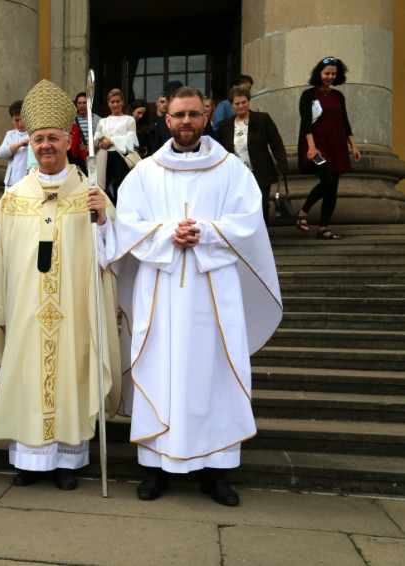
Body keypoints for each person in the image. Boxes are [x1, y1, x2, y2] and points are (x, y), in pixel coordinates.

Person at [104, 86, 282, 506]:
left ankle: (216, 473)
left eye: (194, 114)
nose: (186, 121)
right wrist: (170, 233)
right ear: (166, 120)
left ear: (206, 117)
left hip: (214, 291)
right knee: (158, 369)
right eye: (179, 115)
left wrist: (206, 232)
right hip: (160, 291)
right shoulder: (144, 173)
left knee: (215, 374)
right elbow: (127, 224)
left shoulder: (231, 170)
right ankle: (154, 469)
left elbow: (249, 223)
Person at [0, 79, 121, 491]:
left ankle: (68, 461)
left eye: (53, 138)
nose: (46, 145)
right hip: (26, 311)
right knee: (27, 380)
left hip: (74, 311)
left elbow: (111, 256)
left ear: (68, 140)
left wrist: (103, 220)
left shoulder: (90, 194)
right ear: (30, 143)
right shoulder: (14, 197)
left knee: (73, 378)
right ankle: (30, 461)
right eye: (38, 138)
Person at [295, 57, 361, 240]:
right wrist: (311, 147)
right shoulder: (309, 95)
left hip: (337, 145)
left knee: (332, 186)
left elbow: (345, 121)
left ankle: (323, 228)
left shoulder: (338, 96)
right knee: (329, 178)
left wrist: (353, 145)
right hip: (317, 146)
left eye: (333, 73)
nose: (330, 77)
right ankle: (303, 212)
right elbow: (306, 122)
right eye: (327, 73)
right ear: (319, 73)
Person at [217, 86, 288, 225]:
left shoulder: (262, 119)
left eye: (244, 102)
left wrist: (282, 163)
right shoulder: (224, 126)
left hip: (260, 171)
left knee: (262, 205)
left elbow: (276, 142)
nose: (241, 106)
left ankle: (262, 233)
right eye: (237, 103)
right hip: (236, 175)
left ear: (248, 102)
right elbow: (221, 151)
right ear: (232, 105)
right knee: (241, 207)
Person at [94, 88, 138, 203]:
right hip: (104, 156)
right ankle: (106, 210)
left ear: (122, 102)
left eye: (118, 101)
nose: (115, 104)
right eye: (112, 102)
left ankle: (120, 209)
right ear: (108, 103)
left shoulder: (129, 119)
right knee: (102, 186)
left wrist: (112, 140)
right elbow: (96, 137)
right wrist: (100, 140)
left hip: (121, 157)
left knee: (120, 187)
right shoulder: (102, 121)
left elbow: (131, 137)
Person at [0, 100, 30, 188]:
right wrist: (20, 144)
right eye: (16, 120)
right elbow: (1, 153)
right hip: (11, 182)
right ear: (12, 120)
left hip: (28, 181)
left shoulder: (34, 134)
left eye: (22, 119)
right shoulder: (10, 134)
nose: (20, 124)